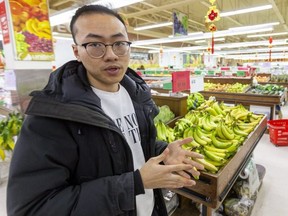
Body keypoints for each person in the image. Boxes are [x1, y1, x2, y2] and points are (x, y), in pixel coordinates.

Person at [7, 4, 204, 216]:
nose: (111, 54)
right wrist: (135, 183)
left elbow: (129, 145)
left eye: (119, 43)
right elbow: (31, 208)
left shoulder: (137, 96)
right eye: (95, 45)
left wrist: (162, 151)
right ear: (77, 51)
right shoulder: (51, 115)